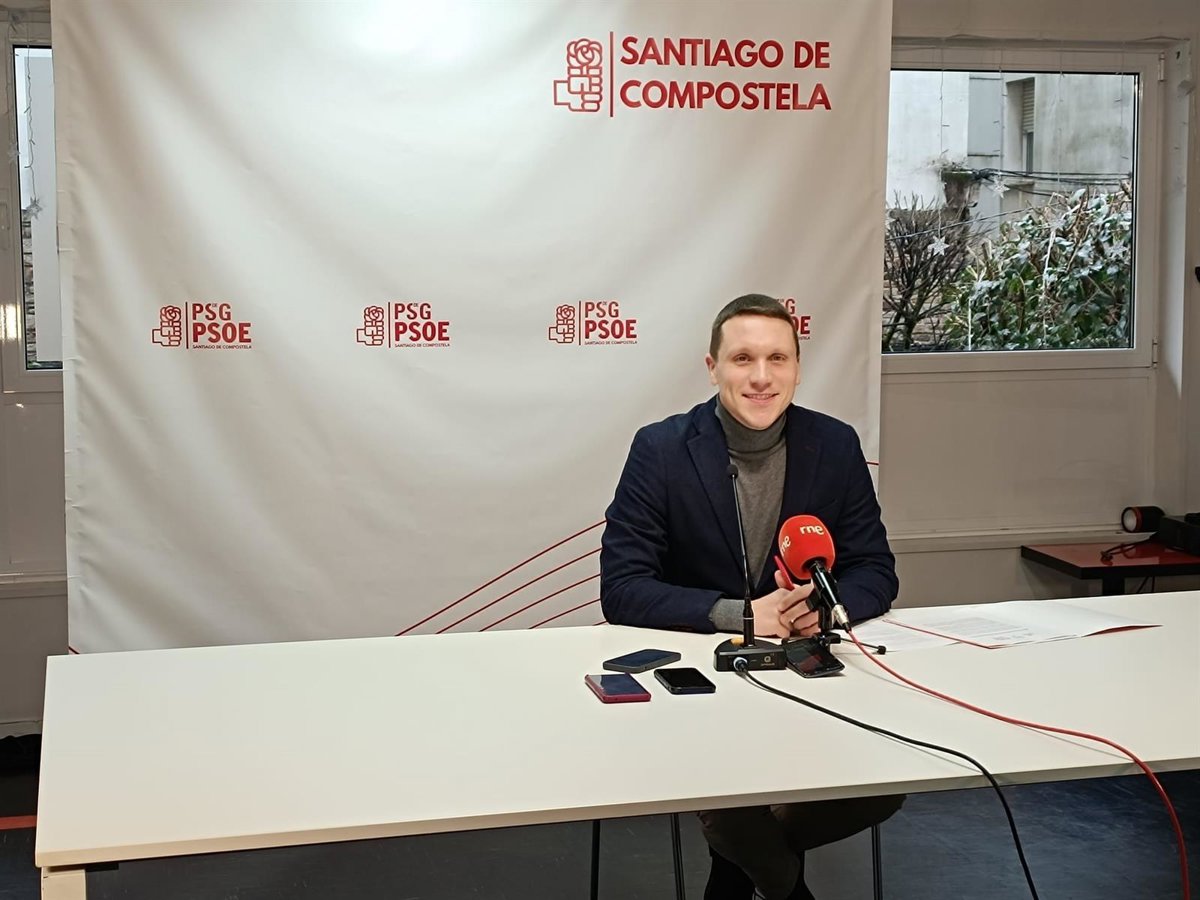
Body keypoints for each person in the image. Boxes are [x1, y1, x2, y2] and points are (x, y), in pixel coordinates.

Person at [600, 294, 903, 900]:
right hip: (701, 686)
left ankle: (744, 866)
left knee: (881, 787)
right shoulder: (660, 449)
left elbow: (876, 570)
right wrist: (740, 615)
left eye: (777, 359)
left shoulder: (835, 444)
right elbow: (623, 588)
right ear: (712, 367)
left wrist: (820, 606)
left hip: (807, 677)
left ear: (797, 368)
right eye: (743, 358)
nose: (761, 377)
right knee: (729, 802)